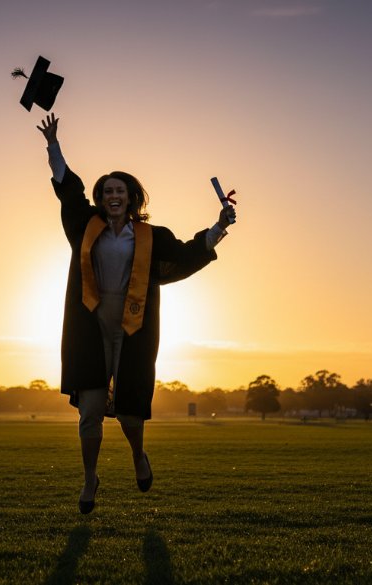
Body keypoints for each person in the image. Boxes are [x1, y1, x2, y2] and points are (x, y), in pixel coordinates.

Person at [37, 113, 236, 514]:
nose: (114, 195)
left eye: (120, 190)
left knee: (129, 413)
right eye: (108, 190)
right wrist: (53, 145)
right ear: (101, 197)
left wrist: (218, 227)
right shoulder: (85, 226)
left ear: (131, 198)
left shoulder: (149, 236)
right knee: (90, 412)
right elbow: (67, 190)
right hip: (89, 328)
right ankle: (90, 478)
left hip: (133, 329)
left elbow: (184, 254)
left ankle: (138, 455)